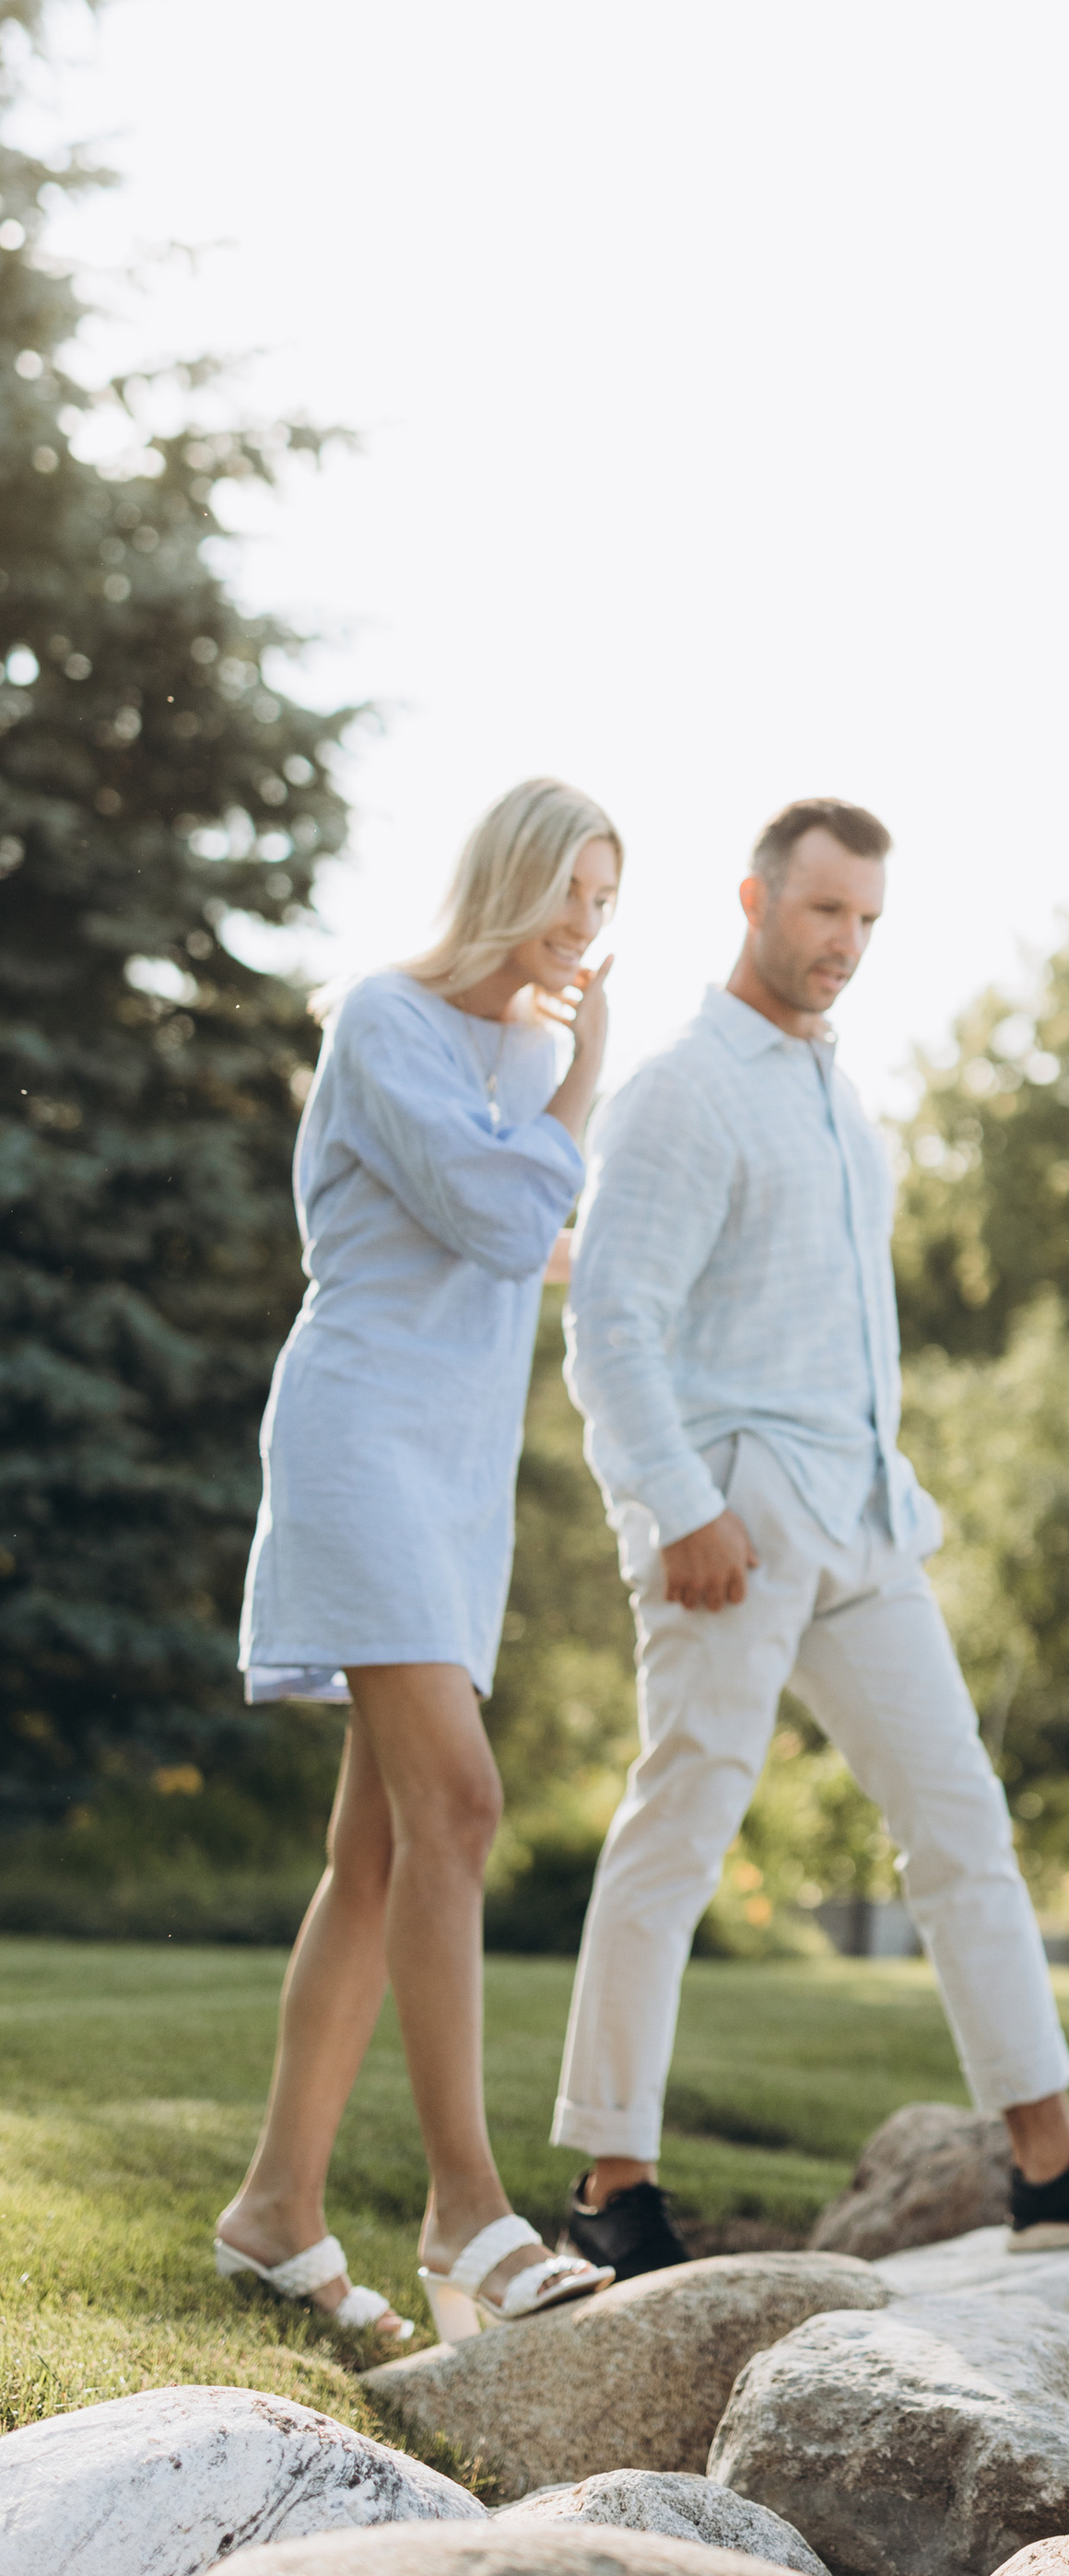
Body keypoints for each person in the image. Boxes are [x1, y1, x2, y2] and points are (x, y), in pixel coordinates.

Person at [551, 796, 1069, 2274]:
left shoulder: (839, 1098)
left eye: (865, 921)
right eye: (821, 912)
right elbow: (610, 1321)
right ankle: (612, 2188)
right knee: (681, 1829)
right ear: (754, 900)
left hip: (862, 1516)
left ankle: (1048, 2159)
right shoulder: (680, 1089)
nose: (844, 943)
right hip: (736, 1512)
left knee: (962, 1823)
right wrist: (680, 1507)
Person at [218, 780, 625, 2345]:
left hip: (459, 1477)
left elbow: (548, 1233)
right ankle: (466, 2206)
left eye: (608, 899)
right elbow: (488, 1207)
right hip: (360, 1434)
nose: (588, 927)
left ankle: (274, 2209)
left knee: (379, 1849)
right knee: (458, 1802)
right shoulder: (387, 1020)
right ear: (510, 881)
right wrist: (582, 1091)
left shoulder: (525, 1061)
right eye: (571, 891)